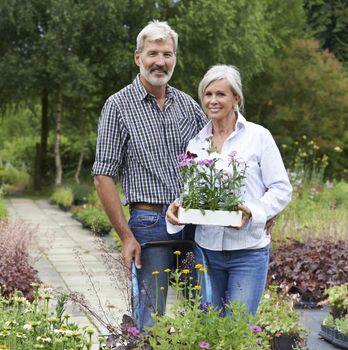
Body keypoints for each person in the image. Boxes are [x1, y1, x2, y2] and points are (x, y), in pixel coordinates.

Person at [92, 20, 208, 328]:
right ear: (138, 57)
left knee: (202, 313)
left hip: (193, 223)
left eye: (167, 54)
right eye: (153, 53)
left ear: (174, 58)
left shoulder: (188, 105)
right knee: (149, 319)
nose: (160, 62)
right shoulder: (118, 105)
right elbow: (103, 175)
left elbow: (220, 155)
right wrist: (126, 237)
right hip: (148, 225)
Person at [166, 64, 292, 316]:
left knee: (237, 327)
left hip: (248, 251)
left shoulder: (258, 136)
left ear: (236, 98)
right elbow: (196, 193)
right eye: (208, 94)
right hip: (207, 252)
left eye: (220, 94)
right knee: (208, 327)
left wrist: (254, 212)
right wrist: (178, 206)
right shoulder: (197, 142)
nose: (213, 100)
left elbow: (281, 188)